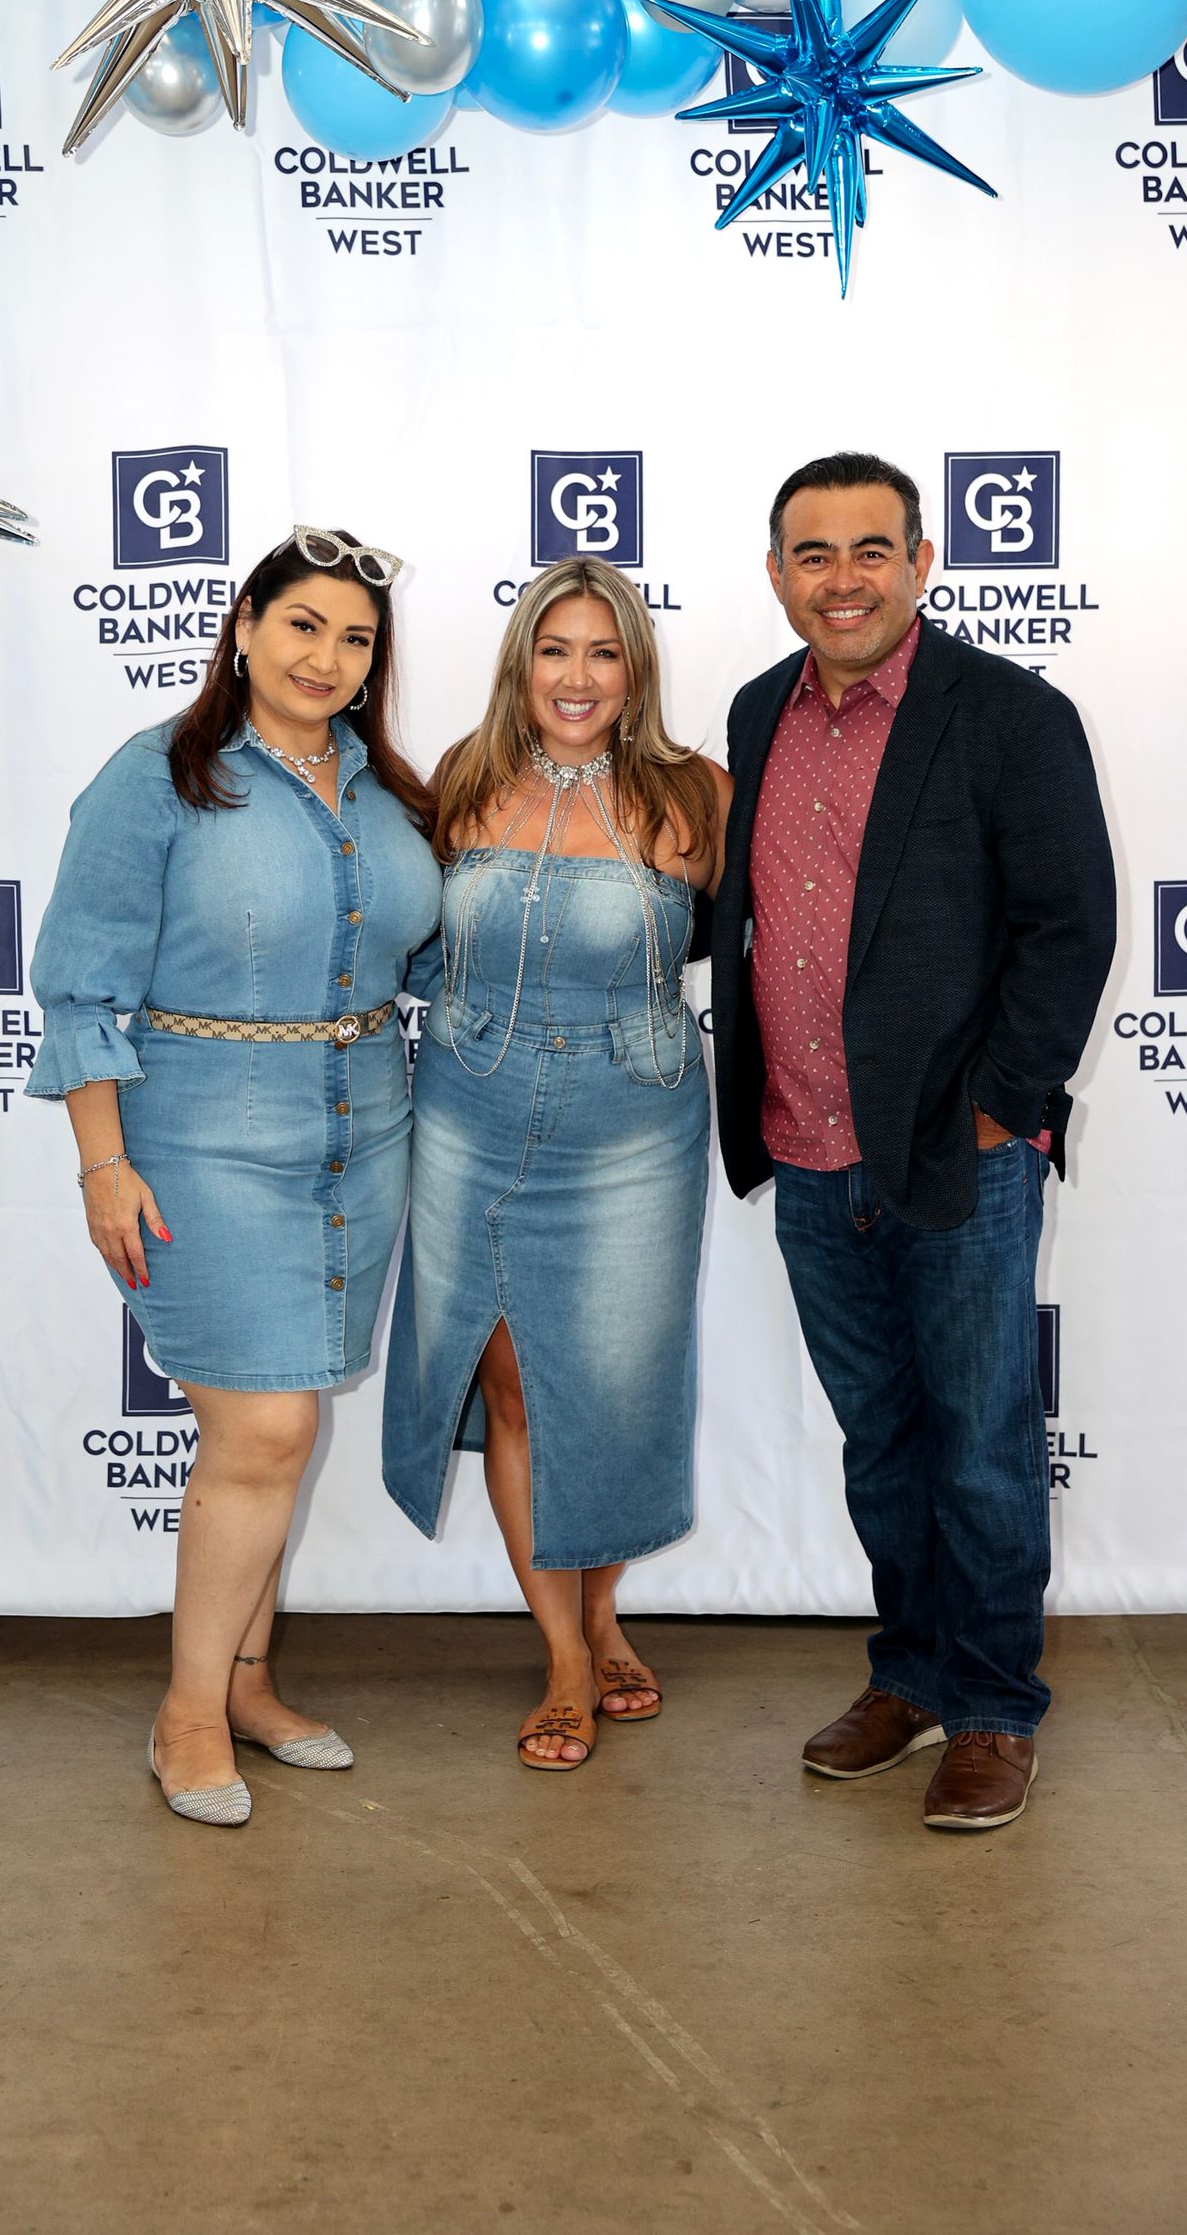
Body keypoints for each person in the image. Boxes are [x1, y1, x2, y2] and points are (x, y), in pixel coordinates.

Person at [709, 452, 1116, 1831]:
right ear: (778, 575)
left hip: (959, 1153)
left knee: (982, 1446)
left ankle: (995, 1706)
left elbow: (1070, 926)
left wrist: (1003, 1104)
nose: (844, 580)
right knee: (881, 1442)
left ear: (922, 563)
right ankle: (914, 1675)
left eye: (871, 550)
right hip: (806, 1149)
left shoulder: (1010, 714)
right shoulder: (756, 711)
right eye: (813, 554)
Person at [27, 528, 440, 1828]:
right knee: (262, 1434)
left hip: (363, 1140)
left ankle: (251, 1688)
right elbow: (80, 987)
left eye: (356, 638)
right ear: (245, 625)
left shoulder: (391, 795)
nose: (328, 657)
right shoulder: (159, 775)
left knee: (286, 1428)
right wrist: (103, 1165)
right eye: (303, 624)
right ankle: (189, 1715)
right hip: (200, 1141)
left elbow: (425, 962)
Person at [383, 558, 731, 1772]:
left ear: (635, 668)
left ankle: (603, 1611)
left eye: (602, 651)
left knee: (616, 1389)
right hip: (470, 1114)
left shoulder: (695, 796)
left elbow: (762, 946)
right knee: (517, 1388)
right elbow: (403, 942)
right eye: (554, 649)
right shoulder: (463, 782)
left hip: (636, 1123)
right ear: (520, 662)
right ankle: (567, 1659)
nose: (576, 677)